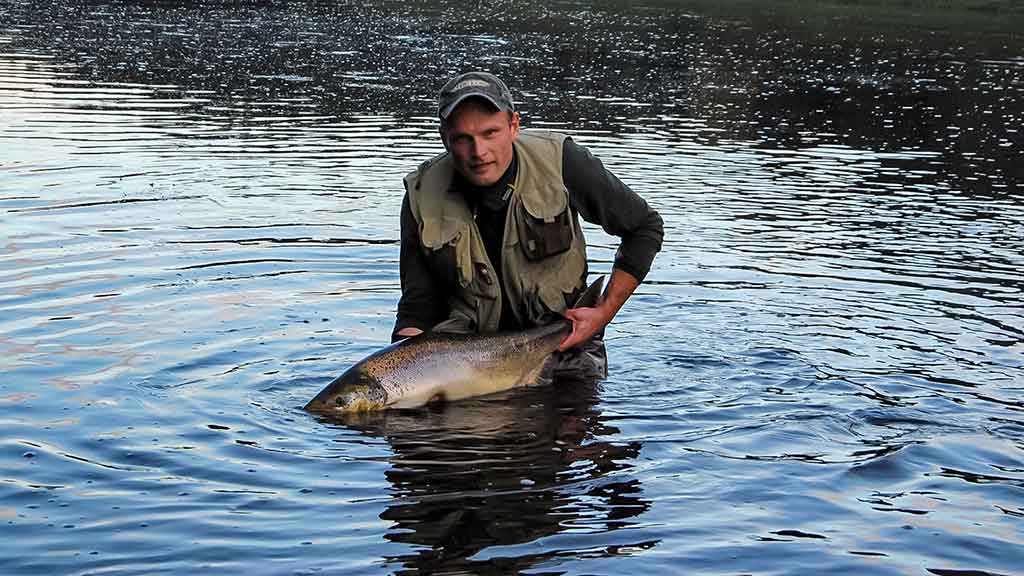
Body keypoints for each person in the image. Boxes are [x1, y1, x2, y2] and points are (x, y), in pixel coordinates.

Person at [393, 71, 663, 382]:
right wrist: (401, 377)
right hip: (472, 363)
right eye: (463, 139)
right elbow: (418, 307)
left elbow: (645, 227)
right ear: (444, 137)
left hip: (564, 347)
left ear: (514, 126)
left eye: (490, 133)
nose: (478, 152)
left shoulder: (562, 161)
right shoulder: (420, 196)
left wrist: (603, 313)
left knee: (569, 424)